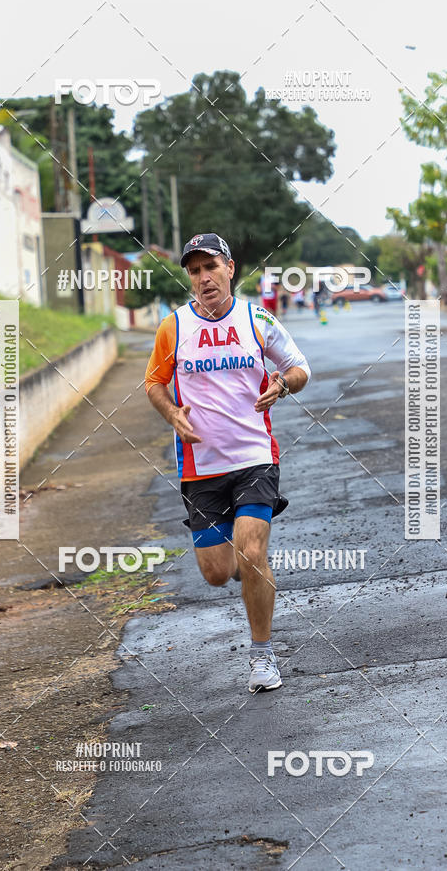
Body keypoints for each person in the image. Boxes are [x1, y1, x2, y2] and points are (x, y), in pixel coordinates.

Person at [145, 233, 311, 692]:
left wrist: (283, 384)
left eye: (210, 267)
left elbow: (300, 367)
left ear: (230, 269)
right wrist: (171, 413)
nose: (203, 278)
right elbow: (154, 383)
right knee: (217, 573)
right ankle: (243, 560)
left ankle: (262, 656)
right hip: (200, 468)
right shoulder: (172, 328)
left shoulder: (258, 319)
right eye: (195, 271)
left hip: (255, 457)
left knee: (253, 553)